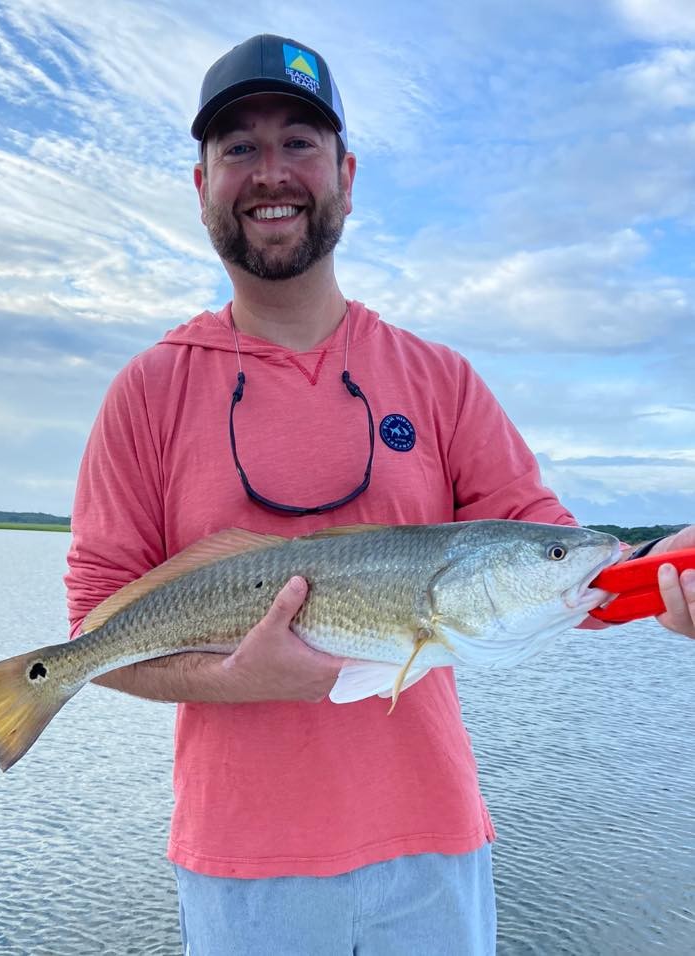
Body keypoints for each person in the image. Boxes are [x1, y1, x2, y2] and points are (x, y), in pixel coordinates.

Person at [65, 34, 695, 956]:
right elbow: (94, 636)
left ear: (346, 175)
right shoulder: (147, 391)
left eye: (300, 142)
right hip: (240, 870)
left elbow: (552, 563)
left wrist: (662, 575)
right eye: (238, 146)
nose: (270, 171)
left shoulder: (438, 377)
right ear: (199, 183)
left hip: (433, 851)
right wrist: (235, 682)